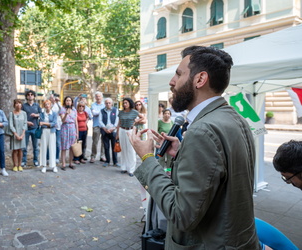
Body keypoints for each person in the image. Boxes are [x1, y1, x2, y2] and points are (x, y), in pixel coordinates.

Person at [129, 46, 260, 248]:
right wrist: (181, 153)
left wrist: (148, 159)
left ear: (200, 79)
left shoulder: (202, 131)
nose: (172, 81)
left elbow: (182, 214)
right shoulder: (235, 119)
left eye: (179, 74)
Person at [116, 97, 138, 177]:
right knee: (123, 149)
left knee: (131, 150)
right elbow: (119, 123)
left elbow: (143, 118)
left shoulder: (134, 112)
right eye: (124, 103)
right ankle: (123, 167)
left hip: (130, 131)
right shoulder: (121, 112)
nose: (125, 104)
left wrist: (136, 122)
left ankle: (131, 169)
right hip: (122, 130)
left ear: (130, 103)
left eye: (126, 103)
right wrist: (117, 134)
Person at [21, 90, 42, 167]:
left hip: (35, 128)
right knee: (24, 146)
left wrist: (37, 115)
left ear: (34, 96)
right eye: (28, 94)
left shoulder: (37, 105)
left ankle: (36, 160)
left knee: (36, 146)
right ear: (26, 96)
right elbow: (21, 117)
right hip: (26, 128)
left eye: (31, 94)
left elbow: (41, 114)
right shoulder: (23, 106)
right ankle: (24, 161)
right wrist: (27, 122)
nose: (30, 96)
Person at [59, 96, 78, 170]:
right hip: (65, 128)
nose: (68, 102)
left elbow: (76, 122)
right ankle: (63, 164)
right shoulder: (62, 109)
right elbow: (63, 120)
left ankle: (71, 163)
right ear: (65, 101)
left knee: (72, 147)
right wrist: (66, 114)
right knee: (64, 147)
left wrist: (77, 132)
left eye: (69, 100)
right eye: (67, 100)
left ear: (72, 102)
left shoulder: (74, 110)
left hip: (72, 128)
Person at [99, 98, 119, 167]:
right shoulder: (102, 111)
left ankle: (115, 162)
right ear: (105, 104)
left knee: (114, 147)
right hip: (105, 131)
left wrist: (113, 128)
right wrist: (105, 128)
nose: (108, 104)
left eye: (109, 103)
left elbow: (117, 120)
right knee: (106, 147)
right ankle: (107, 161)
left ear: (112, 103)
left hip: (113, 131)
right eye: (107, 103)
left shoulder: (115, 110)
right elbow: (100, 121)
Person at [39, 100, 58, 173]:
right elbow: (40, 124)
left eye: (48, 104)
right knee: (43, 148)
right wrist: (47, 124)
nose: (47, 106)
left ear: (50, 105)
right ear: (44, 106)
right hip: (44, 131)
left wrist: (44, 123)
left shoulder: (54, 113)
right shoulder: (42, 114)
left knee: (52, 148)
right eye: (45, 104)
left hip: (52, 132)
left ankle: (53, 165)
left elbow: (54, 123)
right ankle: (44, 166)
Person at [9, 99, 27, 172]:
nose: (18, 105)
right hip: (14, 134)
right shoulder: (11, 113)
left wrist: (22, 134)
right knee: (15, 150)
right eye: (16, 103)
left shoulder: (24, 113)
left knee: (20, 150)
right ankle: (15, 165)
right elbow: (10, 125)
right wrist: (16, 134)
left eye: (19, 103)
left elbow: (25, 123)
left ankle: (20, 165)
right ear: (14, 105)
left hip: (22, 133)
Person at [90, 91, 105, 163]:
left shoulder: (104, 105)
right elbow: (94, 113)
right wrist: (101, 112)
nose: (98, 98)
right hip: (96, 125)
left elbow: (104, 114)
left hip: (104, 126)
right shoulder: (93, 105)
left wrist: (99, 112)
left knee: (103, 142)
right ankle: (93, 156)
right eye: (97, 96)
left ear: (102, 97)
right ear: (95, 97)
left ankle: (102, 156)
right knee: (95, 142)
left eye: (99, 96)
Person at [49, 93, 62, 164]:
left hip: (58, 126)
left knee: (57, 142)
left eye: (53, 97)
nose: (52, 99)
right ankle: (48, 157)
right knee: (49, 143)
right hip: (50, 126)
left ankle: (57, 157)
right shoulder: (48, 104)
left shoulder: (58, 105)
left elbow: (62, 111)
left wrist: (58, 102)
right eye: (51, 98)